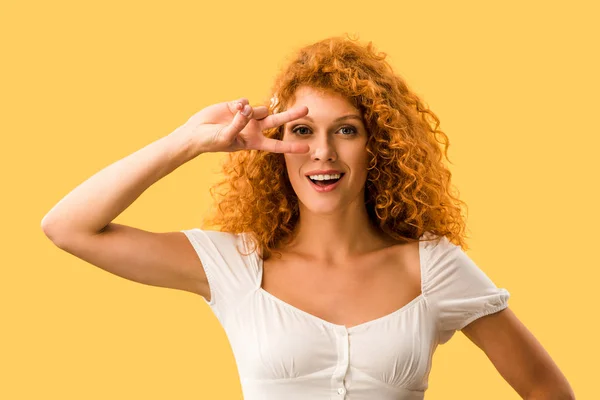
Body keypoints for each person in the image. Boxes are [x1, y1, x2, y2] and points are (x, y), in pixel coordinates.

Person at [41, 35, 575, 399]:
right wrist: (189, 140)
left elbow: (548, 390)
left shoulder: (432, 267)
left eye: (345, 130)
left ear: (377, 147)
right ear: (277, 143)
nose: (322, 152)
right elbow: (68, 227)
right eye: (302, 130)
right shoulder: (235, 266)